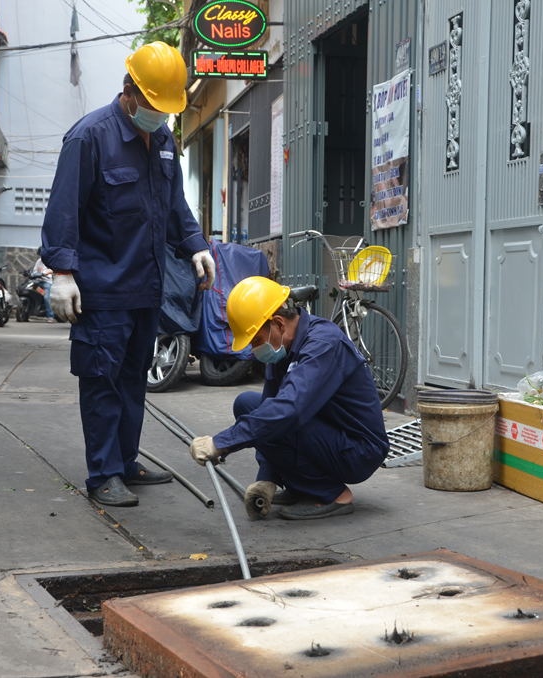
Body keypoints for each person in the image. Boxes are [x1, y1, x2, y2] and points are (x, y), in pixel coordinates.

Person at [41, 42, 216, 507]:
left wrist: (195, 244)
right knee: (102, 380)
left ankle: (125, 460)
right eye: (155, 105)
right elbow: (64, 209)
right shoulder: (89, 137)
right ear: (130, 93)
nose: (161, 115)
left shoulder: (162, 139)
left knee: (135, 377)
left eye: (167, 108)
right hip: (101, 289)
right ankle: (102, 475)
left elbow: (175, 203)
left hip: (146, 287)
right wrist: (61, 271)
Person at [189, 277, 390, 521]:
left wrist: (221, 442)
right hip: (327, 432)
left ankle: (333, 494)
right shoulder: (281, 350)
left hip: (358, 449)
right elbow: (268, 409)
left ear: (278, 324)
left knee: (278, 418)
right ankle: (300, 486)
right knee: (247, 405)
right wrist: (267, 478)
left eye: (256, 341)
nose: (253, 350)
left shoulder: (323, 343)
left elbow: (289, 410)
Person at [30, 250, 54, 322]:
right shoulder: (39, 261)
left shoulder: (51, 261)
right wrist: (38, 272)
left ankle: (50, 316)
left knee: (46, 297)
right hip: (39, 282)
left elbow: (53, 271)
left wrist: (47, 272)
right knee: (31, 290)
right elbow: (35, 271)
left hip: (47, 282)